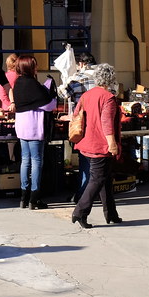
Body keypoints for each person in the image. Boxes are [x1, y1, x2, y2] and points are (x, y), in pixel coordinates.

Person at [71, 63, 123, 229]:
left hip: (86, 141)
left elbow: (76, 115)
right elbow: (107, 123)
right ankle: (80, 211)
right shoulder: (108, 98)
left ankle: (111, 214)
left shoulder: (87, 95)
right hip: (100, 144)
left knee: (105, 178)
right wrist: (112, 144)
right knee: (98, 179)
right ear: (111, 79)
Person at [10, 55, 56, 210]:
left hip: (21, 126)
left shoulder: (17, 83)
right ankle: (34, 198)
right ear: (30, 68)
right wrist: (52, 95)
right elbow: (48, 105)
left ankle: (23, 197)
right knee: (36, 161)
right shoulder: (33, 85)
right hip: (34, 127)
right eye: (35, 65)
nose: (37, 68)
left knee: (25, 160)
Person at [59, 51, 98, 203]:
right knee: (98, 162)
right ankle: (95, 194)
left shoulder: (77, 78)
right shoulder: (104, 78)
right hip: (100, 122)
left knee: (85, 160)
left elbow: (62, 94)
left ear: (81, 64)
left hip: (83, 123)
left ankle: (82, 195)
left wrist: (65, 78)